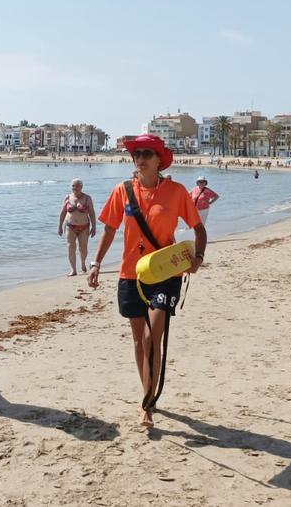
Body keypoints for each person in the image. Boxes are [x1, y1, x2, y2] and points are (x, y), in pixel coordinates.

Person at [86, 134, 206, 428]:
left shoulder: (176, 192)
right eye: (137, 153)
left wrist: (198, 258)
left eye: (147, 154)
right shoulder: (122, 191)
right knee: (139, 340)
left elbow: (199, 230)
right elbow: (110, 230)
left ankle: (147, 405)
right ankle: (147, 393)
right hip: (131, 274)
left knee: (154, 336)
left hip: (165, 273)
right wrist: (96, 263)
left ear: (158, 160)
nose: (140, 158)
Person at [58, 179, 97, 276]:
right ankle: (73, 269)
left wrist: (94, 226)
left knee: (83, 248)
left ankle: (83, 263)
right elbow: (63, 212)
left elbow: (92, 213)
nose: (74, 188)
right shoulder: (67, 197)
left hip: (84, 227)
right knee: (70, 247)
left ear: (81, 187)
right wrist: (59, 226)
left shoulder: (87, 198)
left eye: (77, 186)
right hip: (70, 226)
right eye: (73, 186)